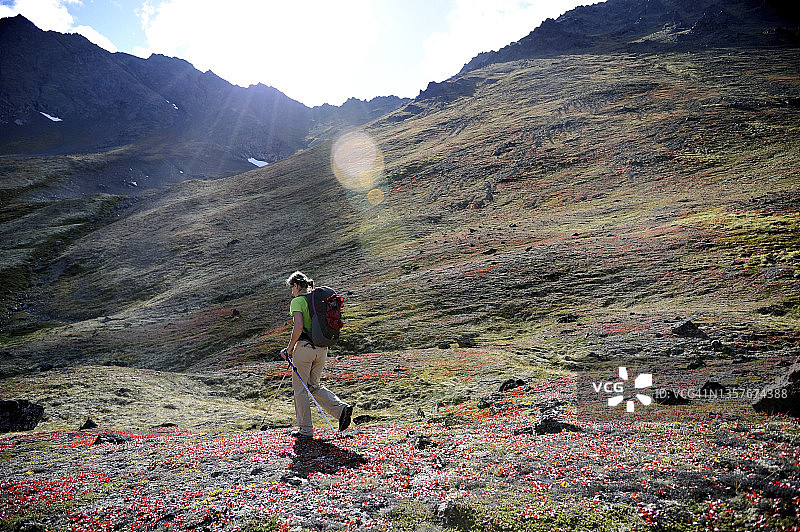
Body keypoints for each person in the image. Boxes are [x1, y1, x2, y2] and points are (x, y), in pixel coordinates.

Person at [280, 271, 353, 439]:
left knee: (300, 389)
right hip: (322, 349)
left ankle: (305, 430)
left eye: (291, 287)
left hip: (304, 349)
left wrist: (288, 349)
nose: (291, 291)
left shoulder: (297, 301)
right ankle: (341, 409)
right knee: (313, 385)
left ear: (296, 285)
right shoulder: (316, 301)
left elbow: (299, 326)